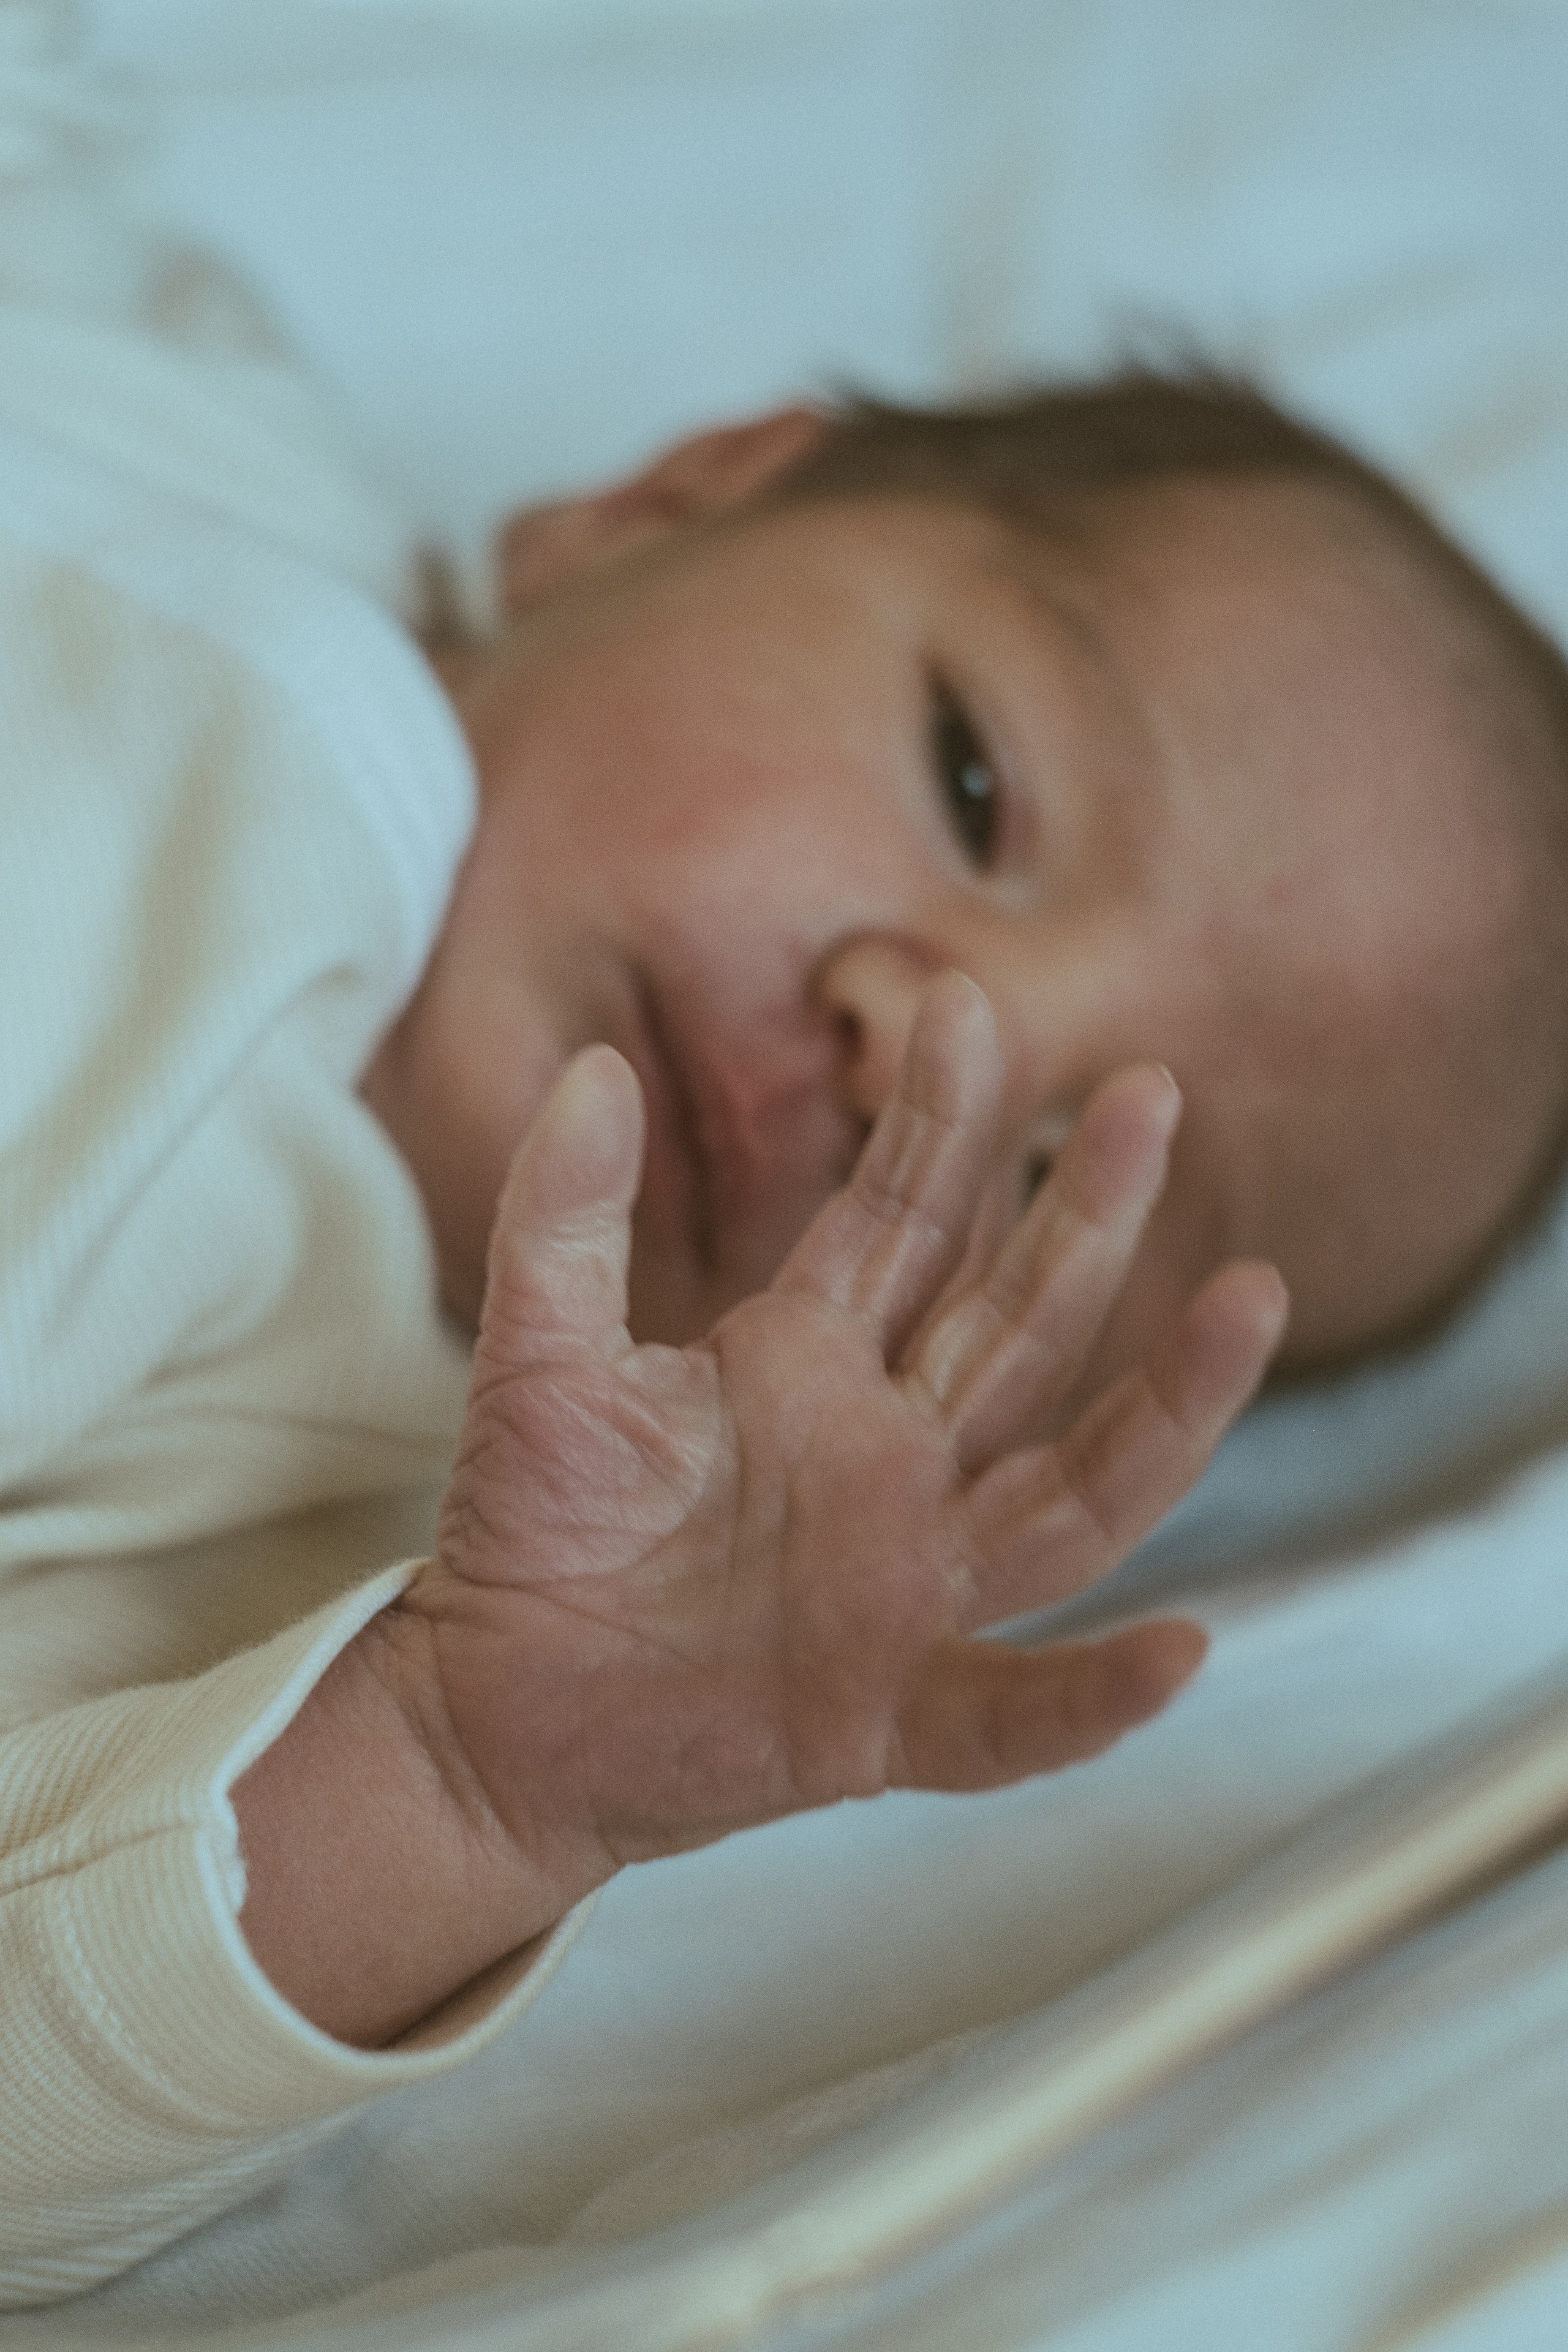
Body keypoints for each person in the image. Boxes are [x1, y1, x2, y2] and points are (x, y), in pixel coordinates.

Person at [5, 45, 1568, 2308]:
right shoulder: (185, 420)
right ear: (673, 498)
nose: (930, 1026)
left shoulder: (297, 1532)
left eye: (1056, 1178)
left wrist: (461, 1782)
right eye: (973, 780)